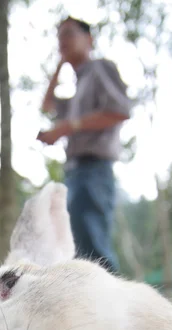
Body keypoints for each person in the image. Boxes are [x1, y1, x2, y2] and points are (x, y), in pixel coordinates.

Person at [37, 17, 131, 272]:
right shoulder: (78, 87)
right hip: (75, 172)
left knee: (94, 252)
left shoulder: (100, 68)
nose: (62, 41)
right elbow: (47, 105)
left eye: (68, 34)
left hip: (94, 169)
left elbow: (119, 110)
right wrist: (60, 65)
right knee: (78, 253)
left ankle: (114, 311)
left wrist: (67, 127)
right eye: (58, 38)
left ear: (88, 39)